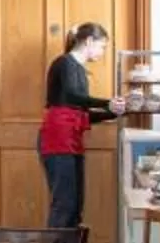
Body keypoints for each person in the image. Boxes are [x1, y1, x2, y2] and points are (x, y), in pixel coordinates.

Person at [39, 22, 119, 231]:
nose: (103, 52)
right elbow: (74, 97)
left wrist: (114, 112)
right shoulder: (64, 64)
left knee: (75, 206)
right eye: (102, 47)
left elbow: (81, 113)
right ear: (89, 41)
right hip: (57, 141)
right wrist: (107, 103)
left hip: (70, 140)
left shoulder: (79, 70)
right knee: (64, 205)